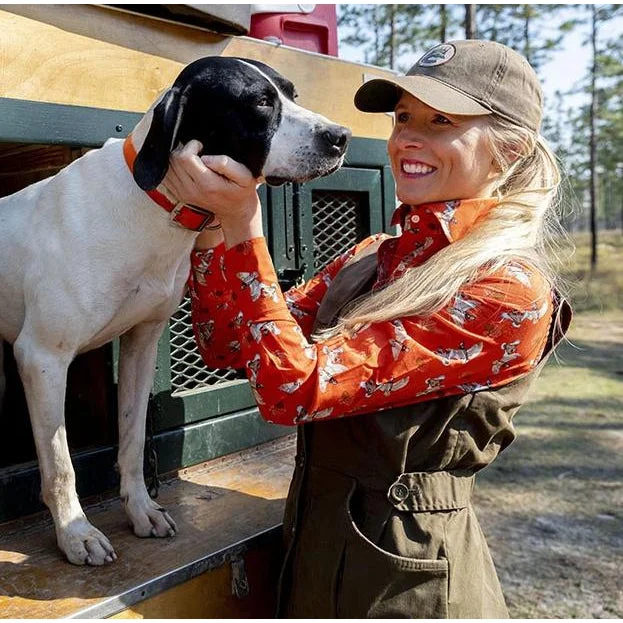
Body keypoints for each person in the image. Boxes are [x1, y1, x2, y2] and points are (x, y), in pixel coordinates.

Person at [164, 39, 572, 618]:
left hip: (405, 579)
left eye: (440, 122)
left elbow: (293, 390)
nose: (408, 137)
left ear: (509, 149)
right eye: (403, 117)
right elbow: (227, 344)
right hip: (314, 548)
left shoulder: (506, 288)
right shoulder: (376, 255)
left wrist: (243, 226)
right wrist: (208, 227)